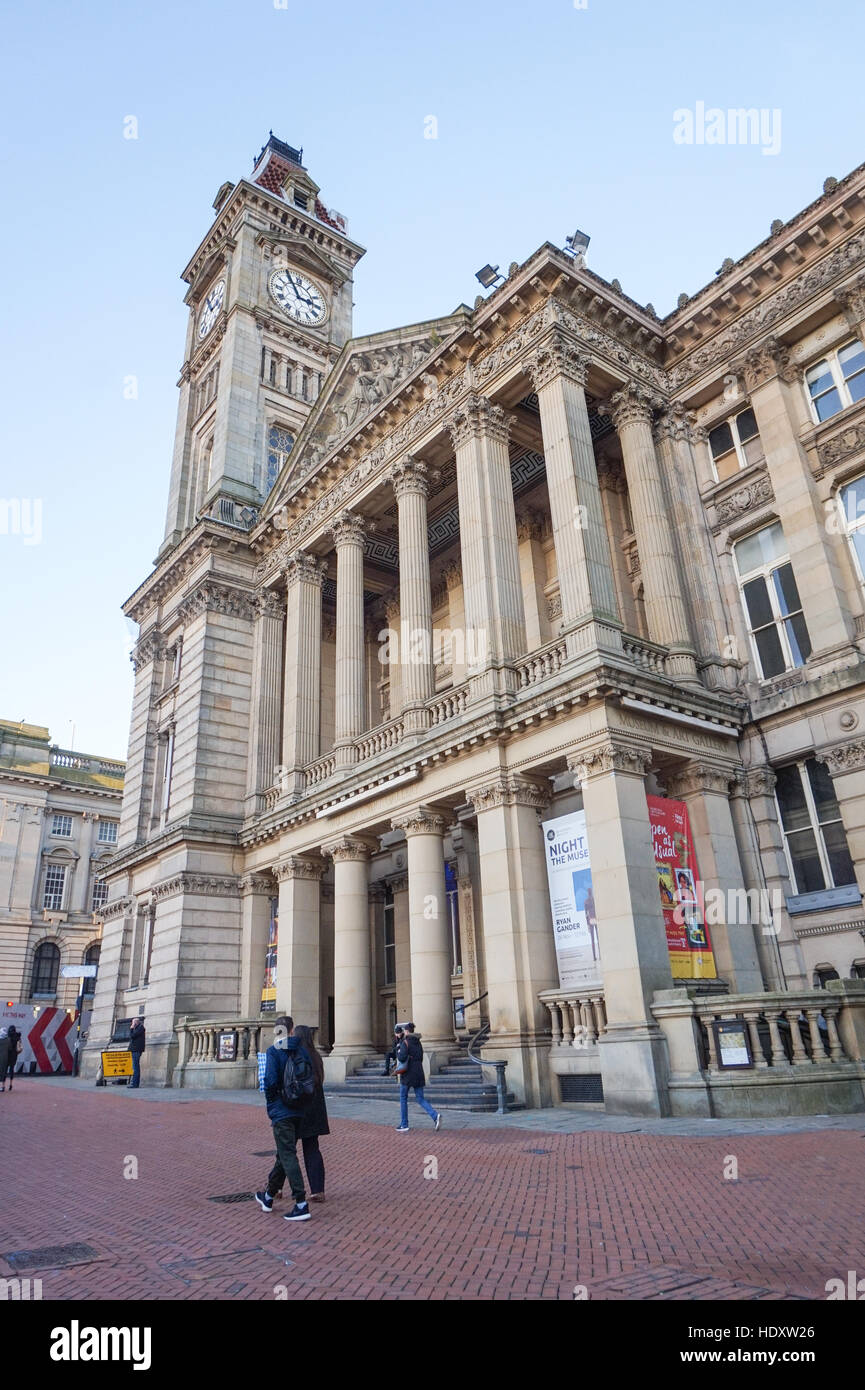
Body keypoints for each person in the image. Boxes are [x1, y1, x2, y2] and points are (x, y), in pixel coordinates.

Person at [255, 1015, 313, 1222]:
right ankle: (268, 1196)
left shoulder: (274, 1051)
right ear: (292, 1030)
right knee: (283, 1153)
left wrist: (272, 1103)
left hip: (282, 1110)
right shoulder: (302, 1050)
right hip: (299, 1109)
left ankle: (301, 1203)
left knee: (287, 1154)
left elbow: (270, 1081)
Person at [292, 1024, 328, 1203]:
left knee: (286, 1150)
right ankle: (318, 1189)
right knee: (312, 1148)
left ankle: (275, 1188)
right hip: (315, 1108)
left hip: (298, 1108)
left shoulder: (295, 1056)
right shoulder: (316, 1057)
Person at [395, 1022, 441, 1133]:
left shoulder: (405, 1042)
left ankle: (404, 1124)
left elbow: (401, 1058)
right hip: (419, 1072)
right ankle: (435, 1115)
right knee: (420, 1098)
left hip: (407, 1074)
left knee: (403, 1098)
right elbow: (420, 1057)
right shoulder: (418, 1043)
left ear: (406, 1031)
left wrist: (398, 1051)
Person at [128, 1017, 145, 1088]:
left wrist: (131, 1028)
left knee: (135, 1067)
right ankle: (134, 1083)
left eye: (133, 1022)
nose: (132, 1024)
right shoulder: (138, 1028)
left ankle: (135, 1084)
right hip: (135, 1049)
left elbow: (132, 1036)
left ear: (136, 1022)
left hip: (136, 1050)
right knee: (134, 1066)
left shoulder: (140, 1028)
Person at [4, 1026, 22, 1090]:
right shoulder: (18, 1037)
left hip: (7, 1055)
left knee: (5, 1070)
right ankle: (10, 1085)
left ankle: (3, 1086)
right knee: (12, 1069)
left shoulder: (8, 1037)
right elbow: (19, 1047)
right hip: (14, 1056)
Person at [0, 1029, 9, 1094]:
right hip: (5, 1058)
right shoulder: (8, 1040)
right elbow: (10, 1048)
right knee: (3, 1072)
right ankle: (2, 1086)